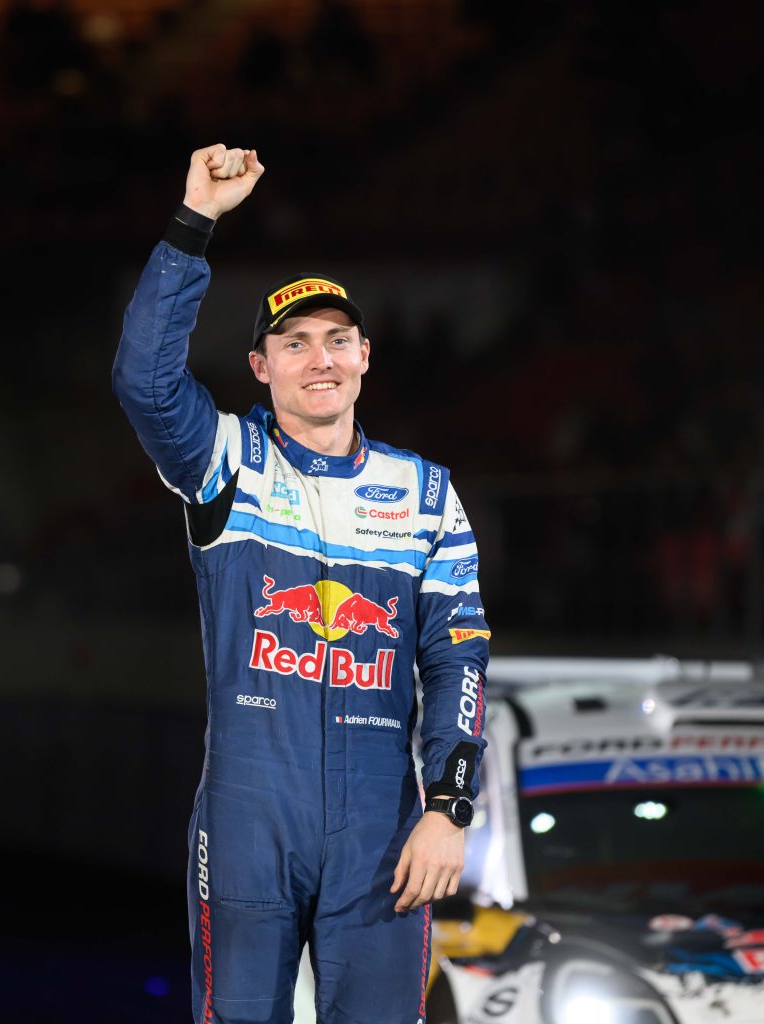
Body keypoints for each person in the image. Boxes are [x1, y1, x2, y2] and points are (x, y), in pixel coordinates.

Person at [113, 146, 491, 1024]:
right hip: (249, 817)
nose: (319, 359)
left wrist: (449, 805)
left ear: (365, 355)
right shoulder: (224, 460)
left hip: (382, 825)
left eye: (336, 340)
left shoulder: (425, 492)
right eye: (294, 343)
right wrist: (194, 223)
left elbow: (459, 656)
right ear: (261, 366)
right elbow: (143, 380)